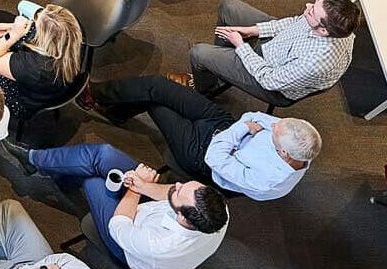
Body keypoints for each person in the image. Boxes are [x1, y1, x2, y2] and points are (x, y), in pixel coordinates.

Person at [6, 140, 228, 269]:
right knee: (103, 153)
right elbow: (169, 192)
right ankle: (35, 159)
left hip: (126, 244)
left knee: (93, 180)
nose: (177, 184)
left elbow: (119, 226)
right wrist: (144, 185)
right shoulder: (216, 208)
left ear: (181, 217)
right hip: (145, 208)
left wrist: (135, 190)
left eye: (179, 191)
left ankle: (56, 172)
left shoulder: (159, 246)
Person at [82, 75, 320, 201]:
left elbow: (215, 157)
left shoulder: (268, 181)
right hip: (223, 124)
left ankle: (113, 110)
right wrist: (242, 129)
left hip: (200, 154)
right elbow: (253, 116)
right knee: (156, 85)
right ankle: (94, 93)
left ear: (284, 154)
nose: (273, 125)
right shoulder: (297, 133)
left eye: (274, 132)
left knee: (154, 102)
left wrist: (242, 130)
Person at [176, 0, 361, 106]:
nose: (307, 7)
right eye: (314, 4)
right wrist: (253, 30)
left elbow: (269, 80)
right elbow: (293, 23)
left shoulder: (317, 62)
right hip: (276, 47)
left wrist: (241, 46)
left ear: (323, 30)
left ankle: (206, 89)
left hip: (270, 79)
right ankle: (219, 69)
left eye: (312, 11)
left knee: (199, 53)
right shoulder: (329, 19)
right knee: (229, 6)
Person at [0, 4, 84, 129]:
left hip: (19, 97)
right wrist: (12, 27)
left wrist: (13, 35)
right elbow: (38, 27)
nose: (34, 20)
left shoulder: (38, 68)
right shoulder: (71, 42)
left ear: (44, 37)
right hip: (41, 81)